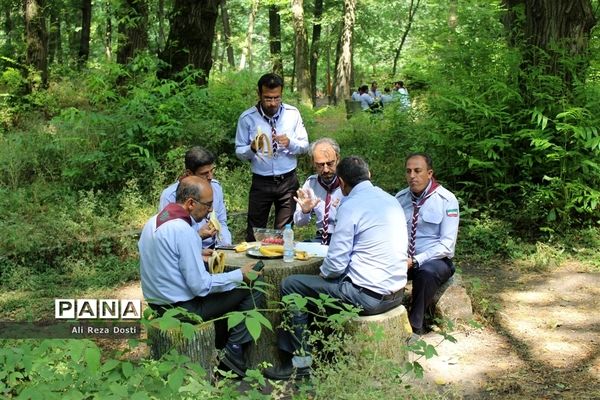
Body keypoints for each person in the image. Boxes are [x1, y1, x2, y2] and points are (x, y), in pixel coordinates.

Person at [264, 156, 408, 380]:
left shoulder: (351, 206)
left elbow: (336, 264)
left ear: (341, 182)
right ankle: (317, 351)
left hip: (368, 297)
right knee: (313, 288)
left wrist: (322, 274)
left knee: (291, 285)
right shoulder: (390, 200)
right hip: (396, 294)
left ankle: (301, 365)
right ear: (369, 175)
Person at [140, 176, 264, 378]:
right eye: (207, 205)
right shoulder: (183, 230)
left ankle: (222, 344)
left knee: (226, 286)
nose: (209, 211)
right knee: (252, 286)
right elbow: (200, 286)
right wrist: (239, 274)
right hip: (184, 308)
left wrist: (195, 252)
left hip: (157, 304)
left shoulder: (154, 221)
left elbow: (167, 255)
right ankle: (233, 351)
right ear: (190, 203)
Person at [235, 73, 310, 242]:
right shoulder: (247, 118)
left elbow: (305, 146)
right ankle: (254, 267)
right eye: (268, 98)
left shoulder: (292, 114)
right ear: (259, 94)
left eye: (277, 98)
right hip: (261, 181)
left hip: (288, 180)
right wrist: (252, 148)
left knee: (285, 232)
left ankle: (282, 266)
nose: (273, 103)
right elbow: (239, 152)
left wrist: (290, 143)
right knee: (255, 231)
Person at [395, 153, 459, 340]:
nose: (412, 176)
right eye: (408, 171)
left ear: (429, 173)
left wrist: (415, 260)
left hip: (434, 260)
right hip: (404, 258)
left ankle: (415, 327)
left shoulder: (446, 200)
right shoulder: (400, 198)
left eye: (417, 171)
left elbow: (447, 245)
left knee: (427, 273)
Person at [159, 146, 232, 248]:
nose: (210, 177)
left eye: (212, 171)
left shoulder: (216, 188)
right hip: (187, 249)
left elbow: (221, 222)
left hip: (215, 247)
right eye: (204, 173)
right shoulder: (169, 196)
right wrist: (198, 236)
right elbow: (166, 236)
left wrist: (225, 247)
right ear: (189, 173)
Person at [293, 138, 344, 245]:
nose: (325, 170)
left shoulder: (348, 183)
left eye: (330, 164)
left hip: (344, 237)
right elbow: (299, 223)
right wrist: (305, 211)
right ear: (313, 162)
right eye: (320, 165)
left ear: (338, 159)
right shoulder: (311, 184)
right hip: (321, 237)